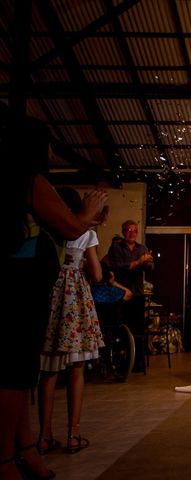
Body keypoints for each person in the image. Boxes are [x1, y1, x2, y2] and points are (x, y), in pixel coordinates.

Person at [2, 115, 107, 480]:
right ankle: (6, 460)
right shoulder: (31, 181)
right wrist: (88, 211)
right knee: (15, 376)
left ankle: (28, 447)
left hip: (24, 286)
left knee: (32, 371)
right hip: (21, 288)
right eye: (47, 145)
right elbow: (71, 227)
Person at [38, 187, 105, 456]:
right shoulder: (86, 233)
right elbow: (97, 274)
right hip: (75, 299)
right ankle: (73, 435)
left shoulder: (48, 231)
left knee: (49, 369)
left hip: (51, 297)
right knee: (76, 368)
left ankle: (44, 436)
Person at [108, 220, 153, 371]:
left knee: (138, 330)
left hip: (138, 294)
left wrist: (147, 263)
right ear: (123, 232)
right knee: (121, 328)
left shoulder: (142, 248)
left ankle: (138, 364)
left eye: (134, 230)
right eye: (128, 230)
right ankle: (121, 363)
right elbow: (118, 268)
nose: (132, 233)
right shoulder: (116, 248)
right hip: (120, 294)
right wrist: (139, 261)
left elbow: (150, 268)